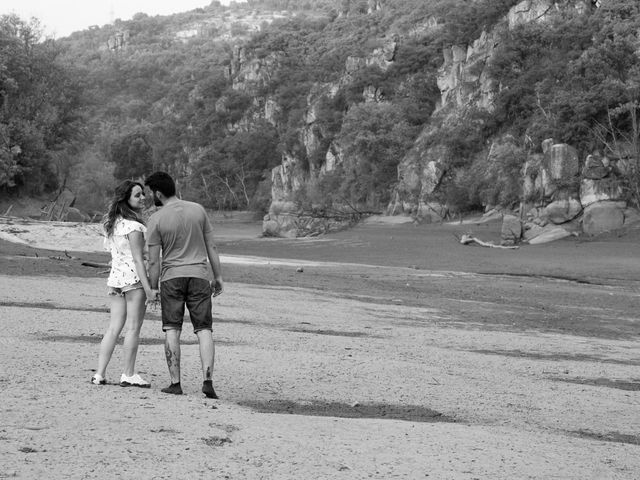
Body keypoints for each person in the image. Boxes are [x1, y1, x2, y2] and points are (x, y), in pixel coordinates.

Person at [144, 171, 224, 398]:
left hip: (171, 278)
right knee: (204, 329)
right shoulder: (198, 210)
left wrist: (154, 287)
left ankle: (175, 383)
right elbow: (212, 247)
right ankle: (207, 380)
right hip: (199, 275)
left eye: (152, 193)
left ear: (158, 193)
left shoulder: (156, 219)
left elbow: (153, 260)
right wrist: (218, 277)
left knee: (172, 329)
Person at [91, 180, 157, 388]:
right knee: (133, 328)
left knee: (113, 328)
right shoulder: (134, 227)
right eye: (137, 195)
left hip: (115, 281)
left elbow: (116, 254)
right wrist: (149, 289)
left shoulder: (112, 224)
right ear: (126, 199)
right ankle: (128, 373)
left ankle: (99, 374)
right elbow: (138, 260)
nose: (143, 198)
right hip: (133, 281)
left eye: (143, 194)